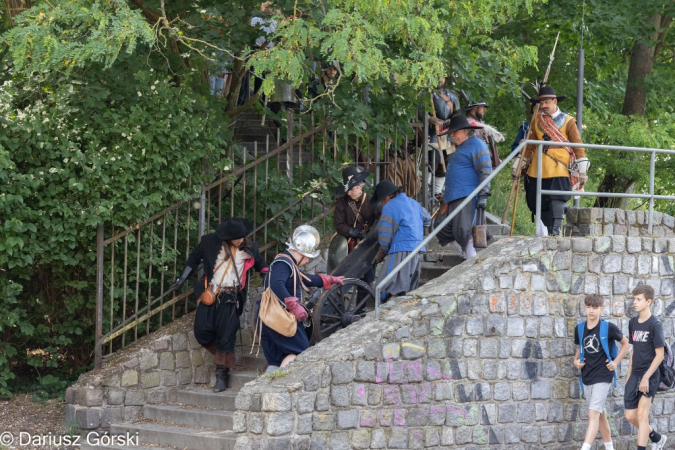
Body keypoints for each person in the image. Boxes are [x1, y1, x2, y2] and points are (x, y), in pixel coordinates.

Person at [170, 218, 268, 392]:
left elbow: (262, 266)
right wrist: (182, 278)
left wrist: (268, 278)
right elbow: (193, 259)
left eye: (243, 236)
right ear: (228, 237)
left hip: (232, 296)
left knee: (226, 335)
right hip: (211, 293)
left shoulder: (249, 248)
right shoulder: (209, 242)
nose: (241, 240)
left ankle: (222, 376)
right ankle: (225, 356)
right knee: (201, 331)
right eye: (238, 237)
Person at [260, 225, 344, 371]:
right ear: (302, 253)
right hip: (281, 317)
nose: (307, 261)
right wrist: (293, 305)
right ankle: (279, 389)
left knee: (277, 359)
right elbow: (276, 284)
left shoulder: (287, 262)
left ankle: (268, 391)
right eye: (308, 258)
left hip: (272, 317)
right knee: (300, 352)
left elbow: (305, 279)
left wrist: (328, 279)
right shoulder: (283, 263)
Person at [520, 85, 590, 236]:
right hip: (538, 169)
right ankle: (543, 232)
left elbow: (578, 146)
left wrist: (582, 170)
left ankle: (555, 232)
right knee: (539, 200)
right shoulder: (536, 122)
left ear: (555, 101)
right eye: (541, 103)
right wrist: (520, 162)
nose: (544, 106)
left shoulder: (568, 121)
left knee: (557, 198)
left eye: (546, 102)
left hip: (559, 168)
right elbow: (530, 146)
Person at [573, 294, 630, 450]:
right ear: (585, 307)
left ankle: (585, 448)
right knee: (600, 413)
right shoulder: (579, 329)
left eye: (595, 308)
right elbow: (580, 348)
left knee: (593, 414)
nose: (591, 311)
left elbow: (626, 343)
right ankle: (609, 447)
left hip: (603, 376)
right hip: (587, 376)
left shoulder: (608, 327)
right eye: (588, 307)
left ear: (601, 309)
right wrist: (575, 361)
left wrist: (616, 362)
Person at [436, 114, 491, 259]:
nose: (452, 135)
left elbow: (485, 170)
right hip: (452, 197)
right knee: (440, 227)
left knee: (464, 230)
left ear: (465, 130)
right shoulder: (462, 147)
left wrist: (483, 194)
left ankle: (470, 257)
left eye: (455, 132)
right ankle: (467, 252)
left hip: (467, 195)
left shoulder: (477, 145)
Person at [624, 284, 668, 450]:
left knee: (642, 415)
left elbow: (660, 355)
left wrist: (646, 377)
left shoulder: (655, 324)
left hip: (650, 375)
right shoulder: (633, 323)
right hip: (635, 374)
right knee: (630, 416)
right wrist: (629, 375)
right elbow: (634, 350)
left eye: (638, 299)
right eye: (634, 299)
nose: (634, 302)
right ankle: (656, 437)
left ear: (648, 301)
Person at [371, 179, 430, 301]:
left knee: (389, 285)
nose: (382, 203)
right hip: (417, 248)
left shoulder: (389, 207)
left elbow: (385, 235)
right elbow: (427, 219)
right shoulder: (414, 203)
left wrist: (385, 250)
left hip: (401, 249)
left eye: (382, 200)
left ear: (388, 197)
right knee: (407, 285)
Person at [334, 166, 380, 284]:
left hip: (367, 246)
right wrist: (354, 233)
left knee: (367, 281)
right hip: (348, 247)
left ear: (360, 186)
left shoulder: (372, 201)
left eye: (352, 189)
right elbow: (339, 225)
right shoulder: (342, 203)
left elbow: (379, 220)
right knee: (344, 281)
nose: (349, 193)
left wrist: (369, 235)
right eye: (347, 190)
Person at [464, 99, 504, 168]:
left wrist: (492, 158)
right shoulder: (468, 123)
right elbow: (474, 148)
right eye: (482, 107)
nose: (484, 110)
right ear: (475, 108)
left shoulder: (478, 123)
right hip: (470, 164)